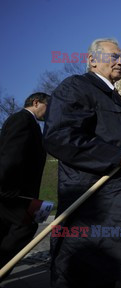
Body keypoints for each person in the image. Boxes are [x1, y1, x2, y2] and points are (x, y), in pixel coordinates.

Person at [43, 38, 121, 287]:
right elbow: (59, 137)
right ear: (92, 60)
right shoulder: (75, 88)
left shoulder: (117, 99)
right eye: (114, 57)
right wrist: (113, 155)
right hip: (94, 208)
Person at [0, 92, 49, 280]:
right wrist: (7, 187)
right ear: (36, 102)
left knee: (8, 229)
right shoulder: (22, 120)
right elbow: (11, 155)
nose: (49, 111)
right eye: (47, 106)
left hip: (16, 192)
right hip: (13, 192)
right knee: (25, 227)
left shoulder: (29, 123)